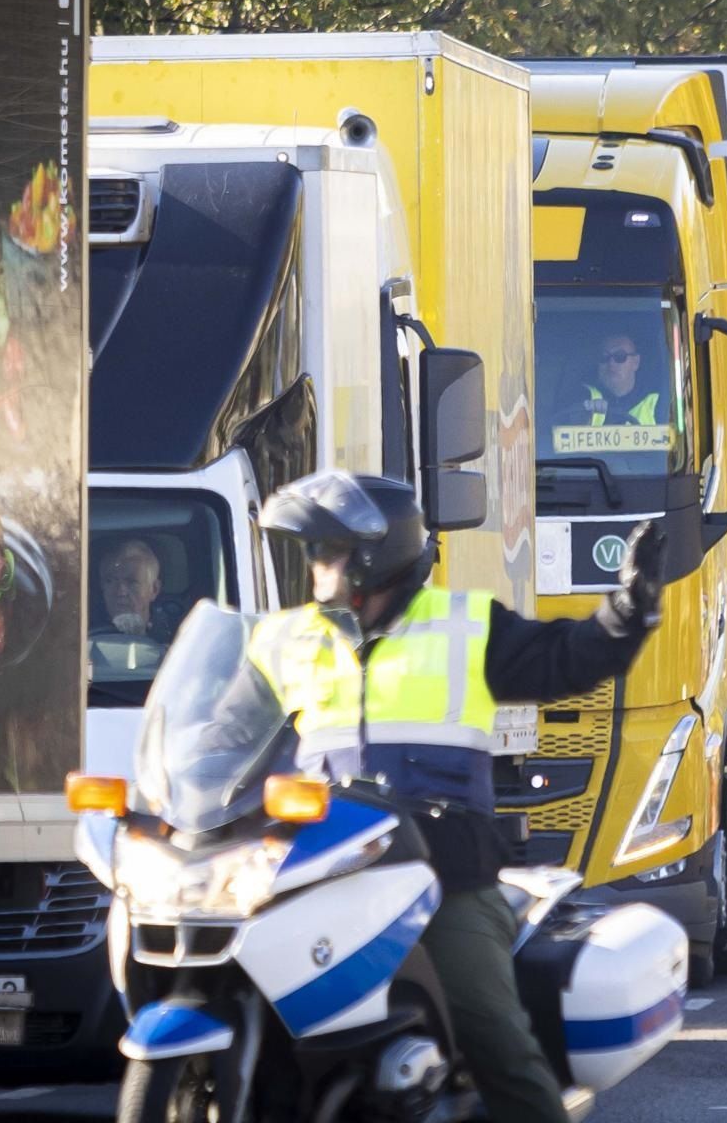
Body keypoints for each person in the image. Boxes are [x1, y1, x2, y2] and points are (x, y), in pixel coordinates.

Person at [247, 470, 665, 1123]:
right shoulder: (285, 638)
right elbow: (226, 732)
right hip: (317, 867)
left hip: (441, 869)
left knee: (489, 1026)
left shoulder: (462, 626)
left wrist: (628, 611)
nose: (313, 565)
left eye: (324, 550)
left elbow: (567, 658)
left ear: (370, 558)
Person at [566, 331, 659, 426]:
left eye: (620, 356)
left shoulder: (658, 403)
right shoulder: (581, 397)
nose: (611, 363)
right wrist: (582, 419)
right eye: (604, 357)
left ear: (636, 362)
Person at [95, 538, 179, 642]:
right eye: (110, 581)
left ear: (154, 590)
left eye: (132, 582)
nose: (121, 592)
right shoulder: (81, 640)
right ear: (102, 586)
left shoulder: (175, 643)